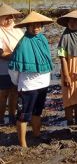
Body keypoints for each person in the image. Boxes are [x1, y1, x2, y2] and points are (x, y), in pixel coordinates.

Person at [8, 11, 54, 148]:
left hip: (43, 83)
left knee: (37, 111)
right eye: (33, 26)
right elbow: (13, 69)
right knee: (24, 115)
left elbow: (48, 61)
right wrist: (18, 83)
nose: (36, 28)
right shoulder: (23, 43)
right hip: (28, 85)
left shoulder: (43, 39)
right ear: (27, 26)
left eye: (38, 25)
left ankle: (36, 134)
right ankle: (23, 144)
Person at [0, 4, 23, 125]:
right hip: (3, 68)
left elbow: (24, 46)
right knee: (3, 93)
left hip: (17, 67)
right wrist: (15, 56)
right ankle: (1, 117)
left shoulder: (17, 29)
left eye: (11, 17)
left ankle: (12, 115)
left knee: (14, 92)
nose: (9, 20)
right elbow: (1, 53)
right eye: (5, 17)